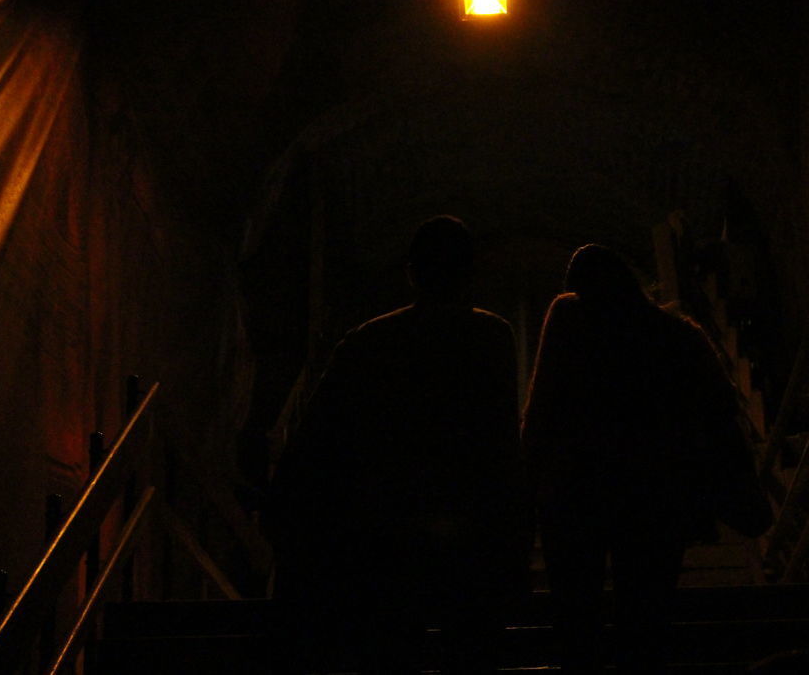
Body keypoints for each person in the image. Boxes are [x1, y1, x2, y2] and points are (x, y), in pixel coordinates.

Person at [269, 215, 529, 674]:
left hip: (387, 528)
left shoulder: (370, 341)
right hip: (472, 526)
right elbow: (502, 443)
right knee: (473, 652)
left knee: (391, 651)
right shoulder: (492, 337)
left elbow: (320, 432)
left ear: (412, 271)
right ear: (469, 273)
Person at [521, 243, 743, 673]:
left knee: (575, 616)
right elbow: (719, 407)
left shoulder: (568, 319)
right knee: (645, 621)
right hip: (654, 495)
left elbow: (542, 407)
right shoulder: (675, 334)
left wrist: (526, 481)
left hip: (574, 493)